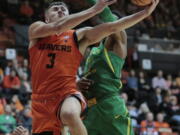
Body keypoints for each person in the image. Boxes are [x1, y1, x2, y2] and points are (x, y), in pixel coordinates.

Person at [28, 0, 159, 134]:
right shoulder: (36, 29)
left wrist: (145, 13)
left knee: (70, 114)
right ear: (46, 18)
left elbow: (114, 27)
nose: (60, 10)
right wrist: (95, 9)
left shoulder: (79, 36)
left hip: (68, 94)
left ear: (69, 14)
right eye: (55, 9)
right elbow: (57, 27)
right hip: (42, 100)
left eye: (63, 9)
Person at [76, 0, 159, 135]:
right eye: (109, 22)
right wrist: (78, 83)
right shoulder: (94, 50)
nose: (112, 24)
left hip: (110, 106)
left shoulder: (119, 43)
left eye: (117, 22)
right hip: (90, 109)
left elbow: (110, 20)